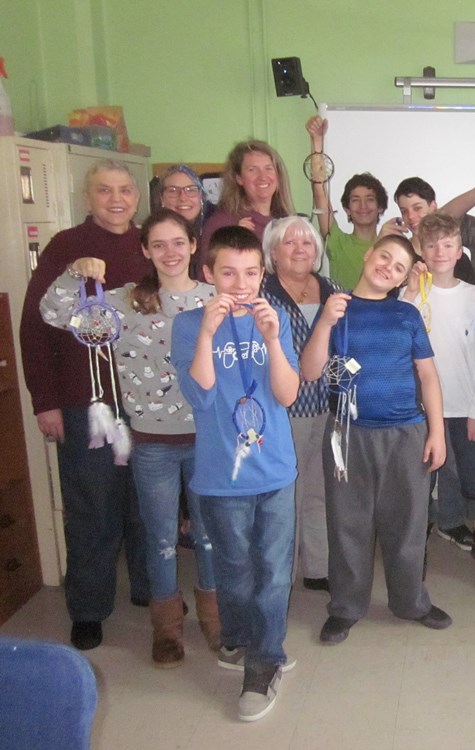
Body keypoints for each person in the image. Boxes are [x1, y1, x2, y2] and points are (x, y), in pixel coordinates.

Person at [40, 208, 219, 666]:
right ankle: (167, 628)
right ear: (144, 251)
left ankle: (216, 618)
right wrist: (72, 272)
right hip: (152, 443)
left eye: (178, 242)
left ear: (194, 245)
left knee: (209, 533)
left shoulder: (215, 297)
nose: (170, 253)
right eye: (157, 244)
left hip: (208, 440)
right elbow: (54, 312)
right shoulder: (125, 301)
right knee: (159, 536)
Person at [19, 159, 150, 651]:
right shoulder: (65, 248)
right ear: (87, 197)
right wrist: (45, 401)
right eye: (103, 190)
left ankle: (149, 589)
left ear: (137, 197)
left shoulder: (149, 246)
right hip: (84, 403)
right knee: (93, 506)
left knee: (144, 504)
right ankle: (89, 607)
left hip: (144, 401)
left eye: (124, 190)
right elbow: (35, 328)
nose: (116, 199)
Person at [172, 226, 300, 722]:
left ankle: (262, 665)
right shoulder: (187, 325)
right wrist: (207, 331)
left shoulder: (276, 321)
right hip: (219, 476)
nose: (241, 283)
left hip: (275, 472)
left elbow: (287, 395)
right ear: (208, 274)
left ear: (263, 275)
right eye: (228, 272)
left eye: (250, 273)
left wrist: (271, 340)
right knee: (234, 570)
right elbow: (201, 393)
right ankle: (245, 640)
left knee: (271, 573)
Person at [299, 235, 452, 645]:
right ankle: (346, 606)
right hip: (347, 434)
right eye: (385, 256)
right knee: (348, 522)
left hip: (405, 433)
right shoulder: (337, 308)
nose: (389, 267)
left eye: (400, 267)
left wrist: (437, 432)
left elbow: (428, 375)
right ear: (368, 255)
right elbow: (311, 371)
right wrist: (327, 321)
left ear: (404, 278)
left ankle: (411, 602)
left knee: (408, 522)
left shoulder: (406, 315)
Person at [399, 214, 475, 570]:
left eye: (448, 244)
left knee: (469, 473)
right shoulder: (410, 295)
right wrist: (409, 288)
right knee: (424, 475)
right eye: (432, 244)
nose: (439, 251)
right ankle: (418, 538)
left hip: (464, 403)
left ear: (458, 252)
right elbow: (399, 333)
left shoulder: (474, 295)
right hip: (420, 407)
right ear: (420, 249)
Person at [261, 216, 340, 591]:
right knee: (285, 494)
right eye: (289, 243)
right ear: (272, 253)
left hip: (328, 408)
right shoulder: (261, 294)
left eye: (306, 243)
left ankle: (318, 567)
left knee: (320, 489)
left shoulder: (333, 290)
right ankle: (283, 572)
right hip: (281, 410)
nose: (299, 250)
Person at [306, 115, 389, 287]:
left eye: (370, 199)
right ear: (347, 209)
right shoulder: (338, 243)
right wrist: (317, 140)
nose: (363, 206)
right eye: (355, 200)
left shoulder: (390, 244)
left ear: (380, 206)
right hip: (345, 314)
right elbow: (320, 191)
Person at [200, 139, 294, 254]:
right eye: (252, 170)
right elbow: (207, 270)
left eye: (269, 168)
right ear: (239, 178)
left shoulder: (288, 222)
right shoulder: (223, 224)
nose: (263, 177)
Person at [156, 164, 209, 236]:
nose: (183, 198)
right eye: (173, 191)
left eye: (191, 190)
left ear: (201, 196)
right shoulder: (154, 233)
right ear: (162, 198)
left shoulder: (213, 229)